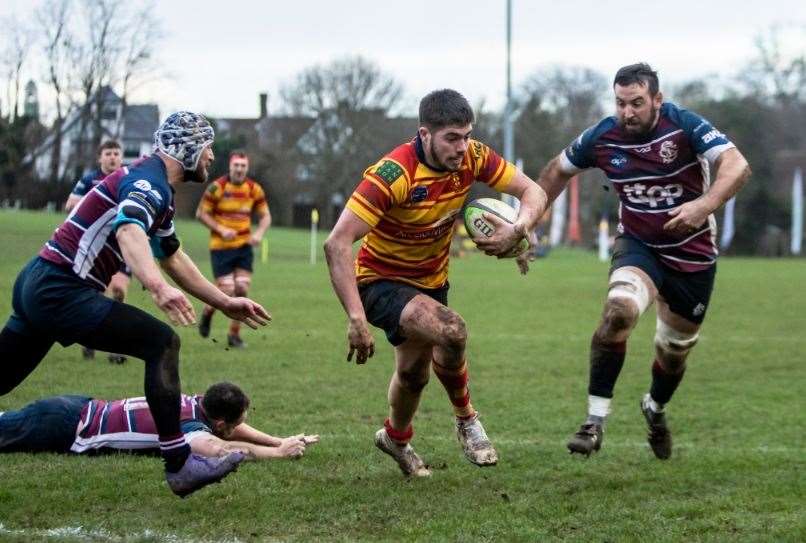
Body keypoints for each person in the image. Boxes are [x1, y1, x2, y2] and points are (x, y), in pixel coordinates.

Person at [0, 111, 271, 497]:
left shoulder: (154, 184)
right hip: (59, 288)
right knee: (161, 342)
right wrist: (158, 289)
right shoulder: (149, 184)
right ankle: (179, 463)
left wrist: (224, 301)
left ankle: (179, 461)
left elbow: (172, 255)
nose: (211, 157)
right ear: (188, 148)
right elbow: (128, 229)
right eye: (207, 147)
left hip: (40, 279)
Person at [533, 63, 750, 459]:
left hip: (693, 254)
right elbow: (554, 171)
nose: (627, 112)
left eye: (636, 103)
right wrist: (528, 223)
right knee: (618, 312)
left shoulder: (683, 124)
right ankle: (594, 420)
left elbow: (737, 165)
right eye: (620, 103)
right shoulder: (602, 136)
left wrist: (703, 205)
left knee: (673, 352)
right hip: (639, 246)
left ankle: (654, 408)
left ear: (656, 100)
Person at [324, 89, 546, 477]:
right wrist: (356, 319)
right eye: (451, 138)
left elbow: (534, 191)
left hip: (430, 280)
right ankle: (467, 420)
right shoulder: (394, 174)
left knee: (413, 374)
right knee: (452, 330)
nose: (462, 147)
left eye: (466, 135)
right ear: (425, 134)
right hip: (381, 281)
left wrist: (520, 229)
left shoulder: (474, 156)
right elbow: (337, 243)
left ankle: (395, 438)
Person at [0, 382, 318, 461]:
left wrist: (279, 439)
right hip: (65, 424)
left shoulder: (197, 403)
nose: (238, 427)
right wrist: (278, 454)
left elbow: (232, 431)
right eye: (234, 423)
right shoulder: (192, 430)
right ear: (219, 422)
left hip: (77, 406)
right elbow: (223, 449)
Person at [196, 150, 272, 348]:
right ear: (230, 166)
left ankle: (234, 334)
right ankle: (207, 313)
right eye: (236, 165)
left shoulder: (254, 189)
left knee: (242, 289)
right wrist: (220, 229)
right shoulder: (217, 187)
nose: (239, 169)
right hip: (221, 248)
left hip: (244, 247)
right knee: (227, 289)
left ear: (247, 168)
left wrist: (258, 234)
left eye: (243, 166)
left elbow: (265, 217)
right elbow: (201, 213)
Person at [65, 140, 130, 364]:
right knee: (95, 296)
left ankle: (116, 347)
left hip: (122, 245)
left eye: (116, 153)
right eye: (108, 153)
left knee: (119, 291)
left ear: (121, 157)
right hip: (94, 248)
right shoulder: (89, 180)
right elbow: (69, 206)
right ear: (100, 158)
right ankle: (90, 340)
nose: (112, 157)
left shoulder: (127, 178)